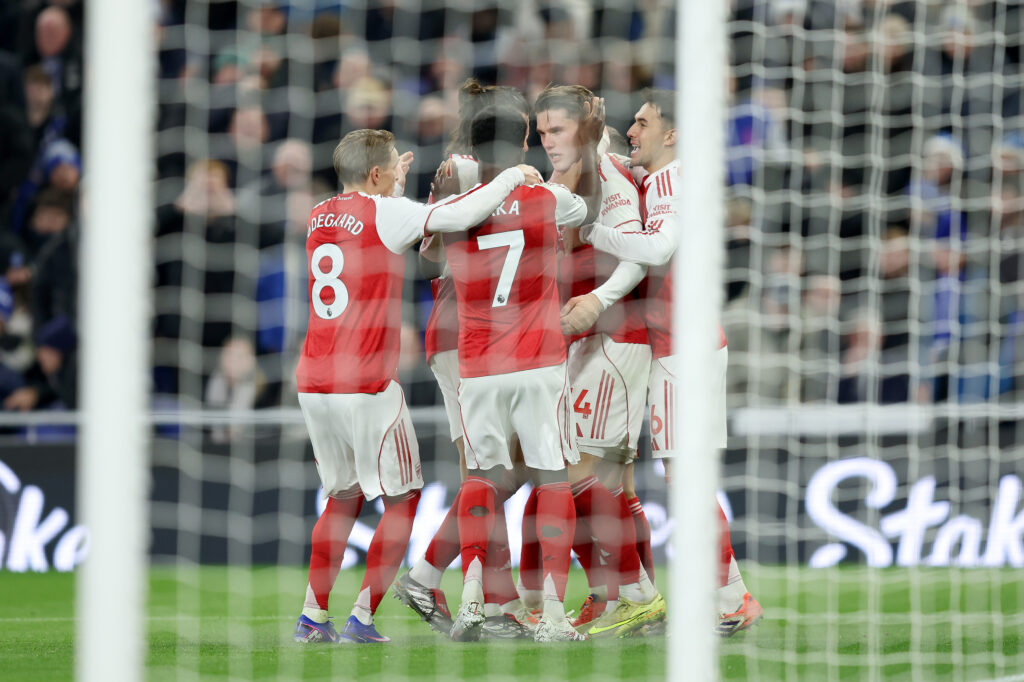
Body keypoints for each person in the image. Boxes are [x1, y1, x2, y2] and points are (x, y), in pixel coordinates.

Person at [292, 128, 540, 644]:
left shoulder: (318, 215)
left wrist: (393, 184)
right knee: (403, 500)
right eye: (392, 172)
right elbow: (455, 217)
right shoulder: (385, 211)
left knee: (340, 499)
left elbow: (379, 211)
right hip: (366, 383)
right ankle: (363, 616)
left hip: (314, 381)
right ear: (378, 175)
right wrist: (514, 175)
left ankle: (313, 618)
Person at [578, 89, 764, 637]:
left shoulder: (673, 179)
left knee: (687, 480)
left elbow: (658, 249)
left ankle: (733, 599)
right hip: (674, 346)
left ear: (672, 134)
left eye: (643, 122)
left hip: (687, 348)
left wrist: (594, 232)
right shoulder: (656, 181)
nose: (633, 131)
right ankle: (729, 596)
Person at [394, 80, 536, 640]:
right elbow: (430, 255)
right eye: (526, 133)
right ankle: (483, 604)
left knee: (503, 468)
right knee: (488, 472)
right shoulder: (465, 169)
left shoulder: (477, 172)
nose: (530, 146)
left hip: (488, 336)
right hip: (463, 333)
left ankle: (437, 578)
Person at [441, 107, 588, 643]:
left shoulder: (453, 209)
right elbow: (580, 205)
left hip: (477, 366)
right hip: (539, 360)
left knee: (480, 479)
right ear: (525, 143)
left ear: (473, 150)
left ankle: (472, 602)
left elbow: (426, 246)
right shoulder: (546, 199)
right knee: (552, 478)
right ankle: (551, 614)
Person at [534, 84, 664, 637]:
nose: (548, 142)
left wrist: (595, 301)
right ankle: (623, 598)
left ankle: (635, 593)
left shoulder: (607, 173)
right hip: (587, 341)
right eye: (541, 134)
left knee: (576, 473)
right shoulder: (559, 182)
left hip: (616, 335)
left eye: (557, 131)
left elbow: (637, 254)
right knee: (613, 483)